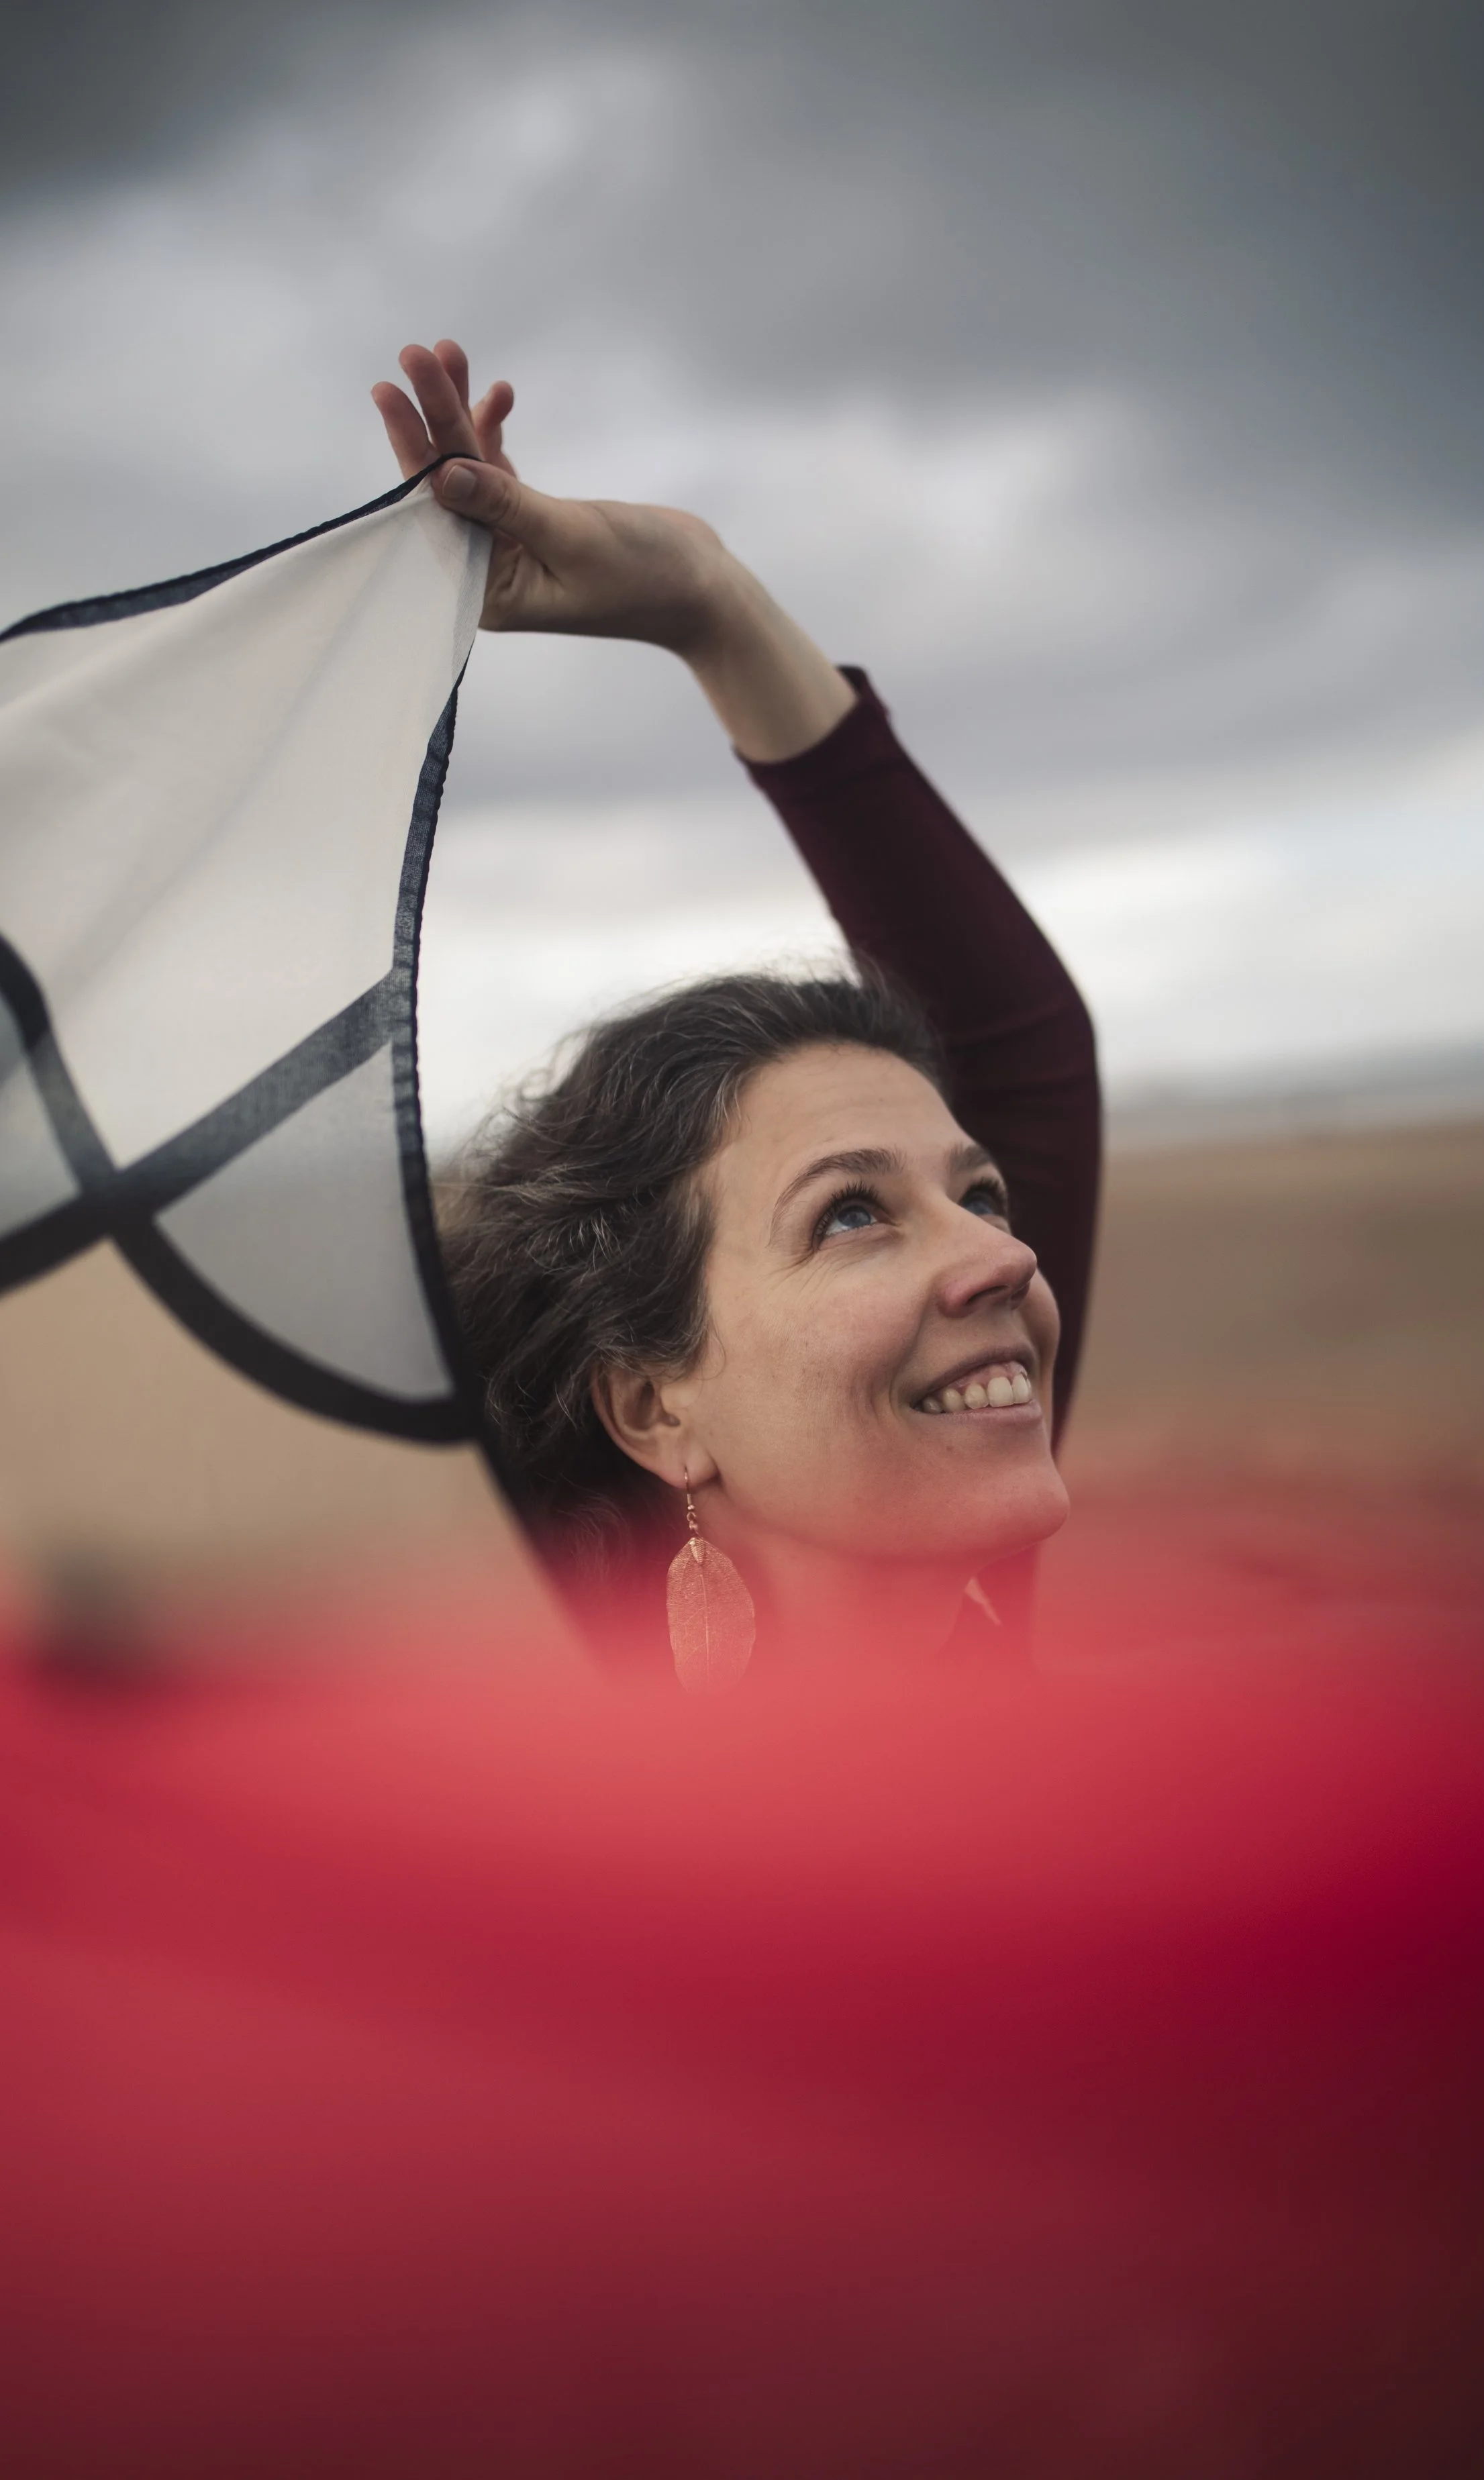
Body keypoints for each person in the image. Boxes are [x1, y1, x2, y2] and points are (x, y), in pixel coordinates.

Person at [374, 342, 1101, 1679]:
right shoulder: (569, 1813)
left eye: (981, 1195)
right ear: (654, 1407)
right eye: (850, 1211)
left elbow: (1022, 1050)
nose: (1006, 1260)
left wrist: (708, 604)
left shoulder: (976, 1643)